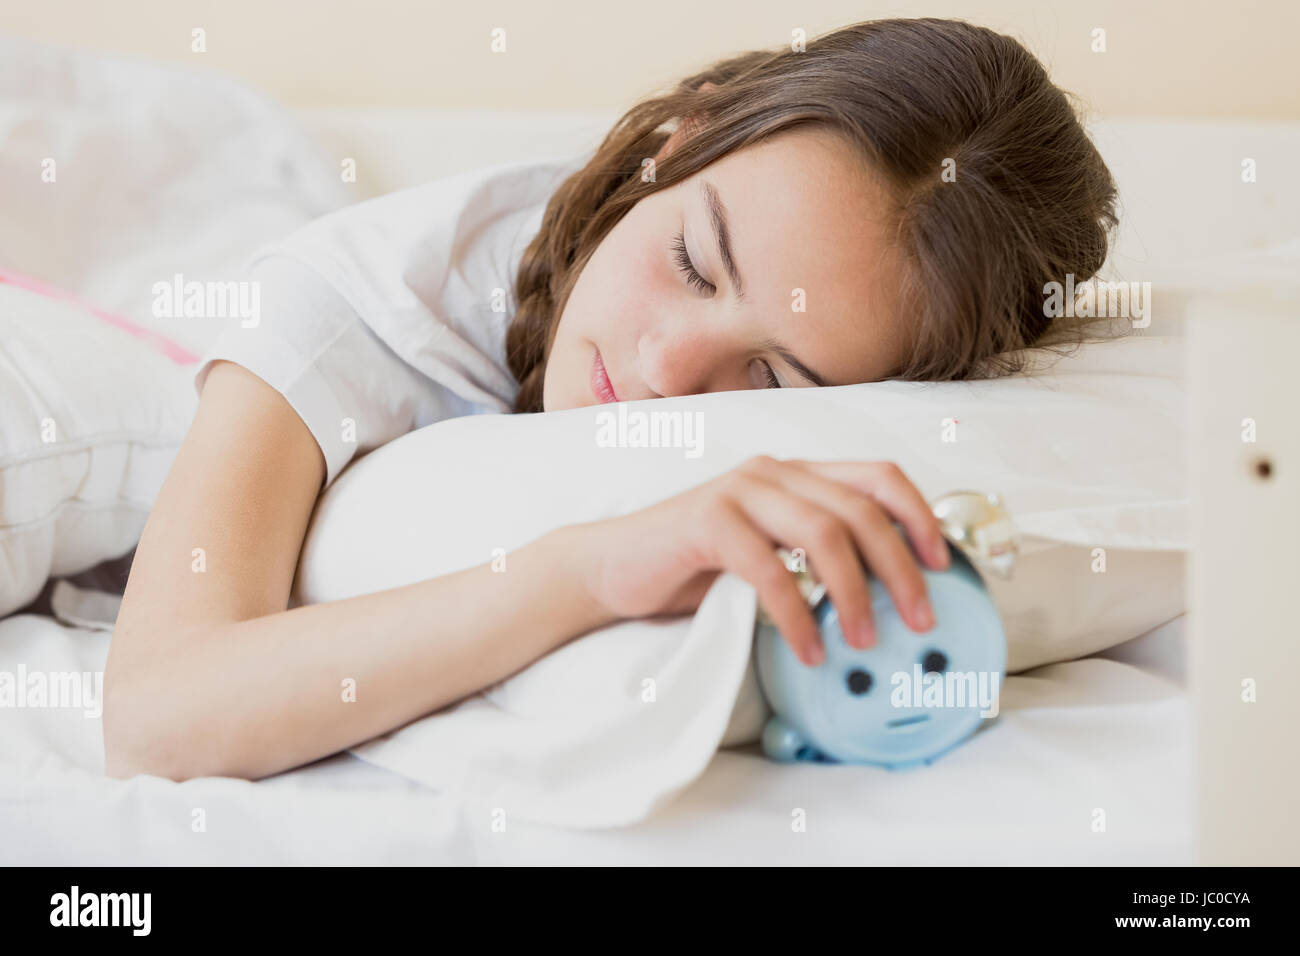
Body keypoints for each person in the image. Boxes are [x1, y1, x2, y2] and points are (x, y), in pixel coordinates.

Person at [104, 17, 1119, 781]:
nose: (670, 371)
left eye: (771, 378)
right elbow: (157, 711)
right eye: (689, 260)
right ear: (680, 139)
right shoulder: (346, 307)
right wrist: (585, 572)